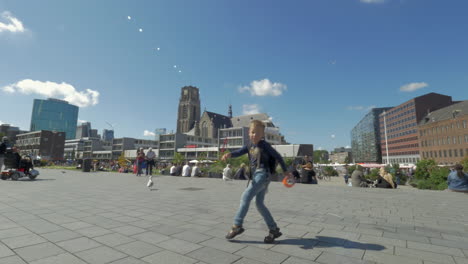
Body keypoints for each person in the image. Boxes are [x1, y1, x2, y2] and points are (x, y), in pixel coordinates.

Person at [221, 120, 291, 243]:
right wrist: (229, 154)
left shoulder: (264, 145)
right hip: (257, 176)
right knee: (259, 203)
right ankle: (273, 229)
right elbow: (239, 152)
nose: (255, 135)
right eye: (253, 132)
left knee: (245, 197)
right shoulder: (249, 145)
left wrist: (285, 171)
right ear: (249, 132)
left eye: (258, 133)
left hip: (263, 174)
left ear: (262, 135)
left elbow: (278, 156)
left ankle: (237, 226)